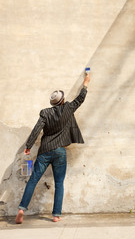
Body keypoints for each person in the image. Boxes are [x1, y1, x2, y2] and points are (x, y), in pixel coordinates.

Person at [15, 71, 90, 224]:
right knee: (59, 183)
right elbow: (80, 99)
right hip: (60, 152)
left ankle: (22, 209)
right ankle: (56, 215)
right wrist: (86, 82)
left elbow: (36, 129)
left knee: (33, 180)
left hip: (45, 151)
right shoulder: (68, 108)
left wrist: (28, 146)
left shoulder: (45, 113)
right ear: (62, 100)